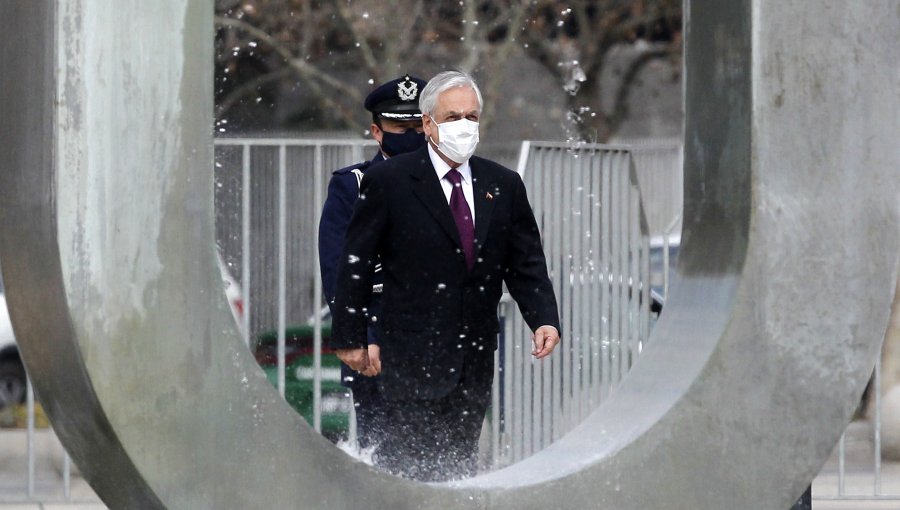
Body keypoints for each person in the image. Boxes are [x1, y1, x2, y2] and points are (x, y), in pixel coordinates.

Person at [329, 70, 561, 481]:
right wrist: (350, 336)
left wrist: (543, 317)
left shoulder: (502, 184)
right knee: (412, 472)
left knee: (458, 471)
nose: (464, 126)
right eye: (453, 117)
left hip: (472, 354)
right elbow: (355, 262)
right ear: (429, 123)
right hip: (411, 354)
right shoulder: (390, 180)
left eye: (471, 116)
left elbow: (524, 260)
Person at [318, 74, 428, 452]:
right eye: (401, 126)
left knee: (449, 461)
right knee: (384, 457)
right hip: (378, 342)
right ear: (377, 132)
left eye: (419, 125)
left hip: (443, 342)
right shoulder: (353, 185)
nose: (412, 134)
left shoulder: (456, 182)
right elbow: (339, 268)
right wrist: (360, 334)